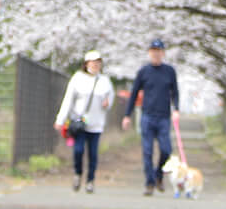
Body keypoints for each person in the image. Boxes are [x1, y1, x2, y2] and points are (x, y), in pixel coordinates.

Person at [122, 37, 180, 195]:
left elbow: (175, 92)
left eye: (159, 51)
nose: (156, 54)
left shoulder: (169, 71)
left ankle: (158, 174)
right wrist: (127, 115)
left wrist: (176, 109)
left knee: (166, 150)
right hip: (147, 116)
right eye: (153, 51)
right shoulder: (143, 72)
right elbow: (133, 94)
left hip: (163, 117)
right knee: (147, 151)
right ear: (149, 53)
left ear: (163, 53)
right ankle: (149, 182)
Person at [55, 50, 115, 193]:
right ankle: (78, 174)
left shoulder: (105, 81)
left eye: (98, 62)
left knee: (93, 153)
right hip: (79, 123)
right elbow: (68, 100)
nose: (95, 65)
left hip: (97, 123)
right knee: (78, 150)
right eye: (93, 62)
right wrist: (60, 119)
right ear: (86, 63)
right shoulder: (78, 79)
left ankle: (90, 180)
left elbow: (110, 98)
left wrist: (108, 103)